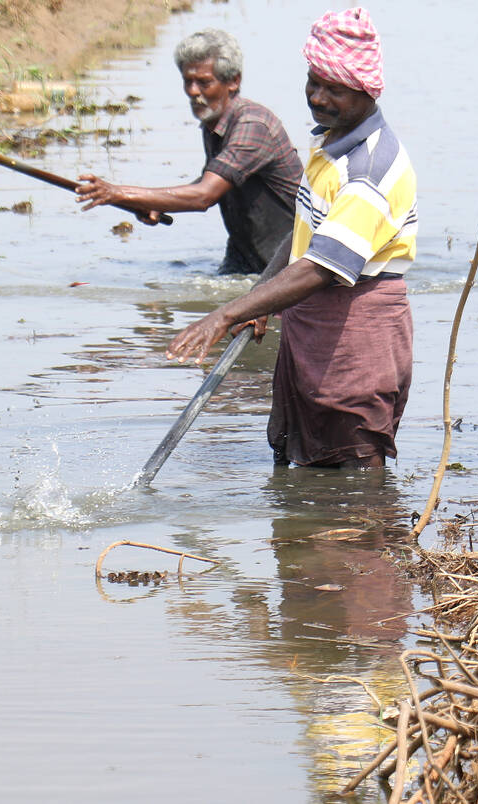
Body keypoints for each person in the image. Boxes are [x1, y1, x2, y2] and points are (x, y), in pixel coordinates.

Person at [166, 7, 418, 469]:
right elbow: (303, 234)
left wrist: (226, 314)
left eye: (335, 89)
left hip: (356, 334)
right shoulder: (330, 142)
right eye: (313, 83)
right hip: (310, 327)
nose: (318, 98)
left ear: (365, 89)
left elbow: (323, 265)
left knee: (355, 480)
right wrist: (261, 298)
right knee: (297, 465)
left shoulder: (368, 170)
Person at [75, 29, 303, 275]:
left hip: (289, 262)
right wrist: (155, 202)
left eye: (204, 82)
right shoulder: (214, 122)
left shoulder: (252, 126)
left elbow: (204, 195)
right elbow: (215, 178)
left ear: (233, 81)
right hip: (246, 256)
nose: (194, 91)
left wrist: (117, 193)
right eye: (188, 81)